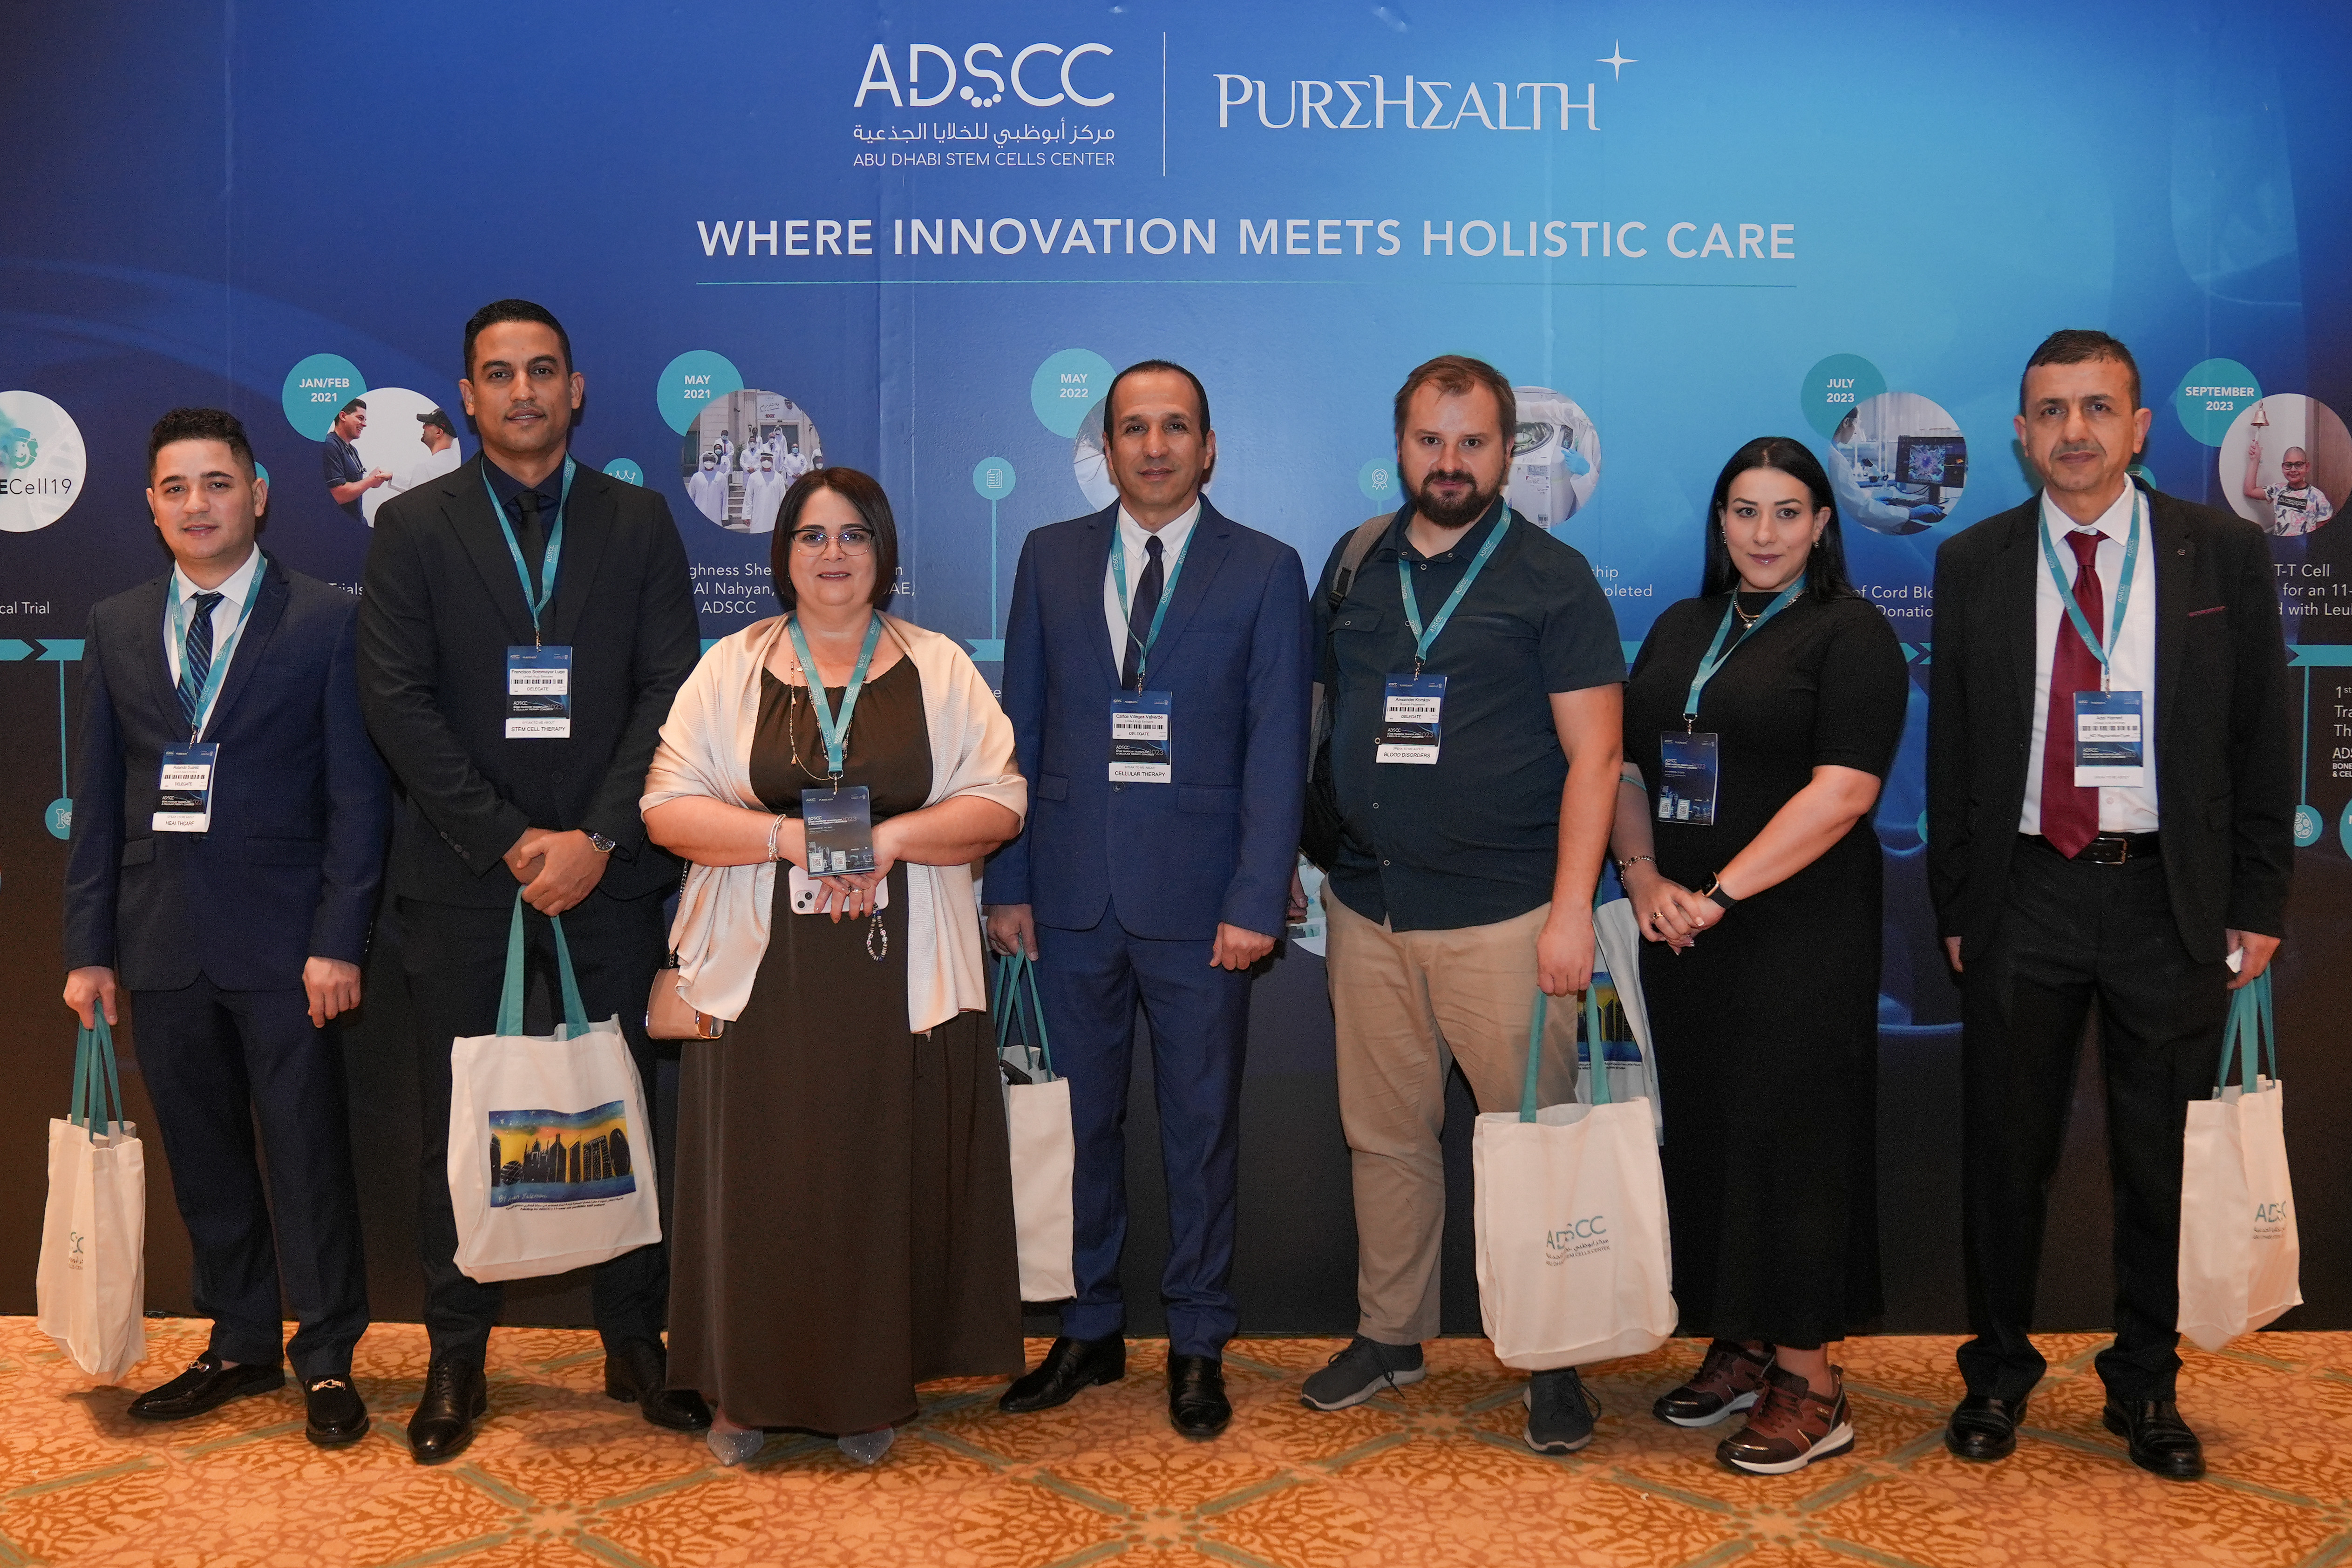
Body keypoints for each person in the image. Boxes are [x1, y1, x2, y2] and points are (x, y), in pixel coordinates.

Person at [1929, 329, 2293, 1481]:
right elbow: (1954, 749)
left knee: (2155, 1160)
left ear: (2136, 428)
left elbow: (2262, 731)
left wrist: (2257, 898)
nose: (2072, 431)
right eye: (2050, 411)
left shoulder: (2218, 551)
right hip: (2022, 890)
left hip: (2165, 896)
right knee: (2005, 1155)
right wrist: (1957, 902)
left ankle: (2144, 1383)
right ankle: (1995, 1373)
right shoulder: (1974, 560)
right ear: (2019, 434)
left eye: (2096, 408)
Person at [359, 299, 707, 1464]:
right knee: (462, 1126)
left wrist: (596, 838)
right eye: (500, 374)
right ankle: (457, 1355)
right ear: (467, 397)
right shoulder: (412, 526)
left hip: (609, 881)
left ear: (576, 389)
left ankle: (635, 1344)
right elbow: (395, 702)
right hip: (465, 882)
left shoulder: (637, 520)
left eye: (542, 371)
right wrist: (511, 841)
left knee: (619, 1107)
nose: (523, 392)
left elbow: (669, 689)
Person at [644, 466, 1027, 1467]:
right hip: (759, 974)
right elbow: (665, 806)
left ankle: (866, 1389)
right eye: (811, 535)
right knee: (760, 1186)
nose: (832, 553)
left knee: (873, 1177)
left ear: (883, 552)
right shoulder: (730, 666)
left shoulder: (939, 666)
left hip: (897, 972)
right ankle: (742, 1393)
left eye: (853, 534)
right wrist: (788, 841)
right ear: (783, 555)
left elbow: (1000, 801)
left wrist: (889, 842)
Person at [1298, 354, 1625, 1453]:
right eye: (1429, 441)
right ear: (1400, 446)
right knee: (1384, 1141)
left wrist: (1571, 911)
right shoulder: (1355, 564)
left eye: (1472, 442)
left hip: (1507, 921)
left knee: (1535, 1147)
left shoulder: (1552, 579)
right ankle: (1390, 1334)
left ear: (1505, 451)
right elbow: (1320, 714)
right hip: (1368, 910)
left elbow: (1596, 759)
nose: (1449, 463)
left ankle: (1552, 1359)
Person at [985, 359, 1312, 1440]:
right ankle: (1086, 1326)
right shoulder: (1048, 555)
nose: (1155, 446)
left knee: (1199, 1128)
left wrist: (1256, 897)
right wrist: (1009, 878)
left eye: (1176, 427)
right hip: (1068, 895)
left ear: (1207, 448)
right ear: (1109, 447)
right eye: (1134, 427)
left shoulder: (1263, 568)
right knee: (1078, 1124)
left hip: (1203, 905)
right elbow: (1020, 727)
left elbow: (1276, 746)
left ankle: (1198, 1338)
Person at [62, 407, 389, 1446]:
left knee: (306, 1157)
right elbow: (99, 799)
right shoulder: (117, 623)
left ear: (258, 494)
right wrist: (89, 948)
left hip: (288, 948)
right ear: (151, 506)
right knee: (203, 1157)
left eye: (216, 483)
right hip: (161, 939)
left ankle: (327, 1357)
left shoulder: (326, 620)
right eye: (176, 488)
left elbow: (358, 800)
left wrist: (338, 938)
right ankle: (241, 1341)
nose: (197, 504)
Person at [1609, 437, 1907, 1474]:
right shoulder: (1679, 627)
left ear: (1821, 525)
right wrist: (1642, 878)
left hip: (1796, 932)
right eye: (1744, 511)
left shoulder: (1851, 632)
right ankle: (1739, 1342)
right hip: (1681, 931)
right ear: (1720, 522)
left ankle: (1811, 1380)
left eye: (1787, 512)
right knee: (1708, 1135)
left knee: (1792, 1145)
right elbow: (1627, 767)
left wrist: (1720, 894)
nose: (1764, 532)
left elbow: (1844, 792)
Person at [2243, 435, 2334, 537]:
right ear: (2283, 468)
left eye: (2299, 465)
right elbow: (2249, 491)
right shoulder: (2277, 490)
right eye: (2288, 465)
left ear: (2307, 467)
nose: (2293, 470)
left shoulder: (2318, 497)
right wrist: (2255, 460)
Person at [321, 398, 391, 522]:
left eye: (365, 420)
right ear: (343, 416)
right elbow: (338, 494)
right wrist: (370, 481)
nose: (364, 424)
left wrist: (373, 480)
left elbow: (354, 486)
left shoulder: (352, 450)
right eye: (360, 418)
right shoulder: (329, 445)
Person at [385, 406, 463, 496]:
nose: (424, 427)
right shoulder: (460, 464)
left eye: (428, 424)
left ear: (438, 433)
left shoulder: (425, 469)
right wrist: (393, 477)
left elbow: (417, 500)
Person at [742, 450, 788, 534]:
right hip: (758, 515)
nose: (766, 461)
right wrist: (747, 516)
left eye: (769, 459)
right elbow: (748, 497)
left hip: (774, 515)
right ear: (760, 460)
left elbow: (782, 498)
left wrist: (784, 516)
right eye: (764, 459)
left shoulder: (779, 478)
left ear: (773, 461)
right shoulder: (754, 477)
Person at [686, 450, 729, 524]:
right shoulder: (696, 477)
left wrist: (725, 517)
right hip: (699, 513)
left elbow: (725, 498)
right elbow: (691, 496)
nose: (709, 461)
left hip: (716, 516)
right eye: (707, 459)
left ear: (715, 461)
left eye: (711, 460)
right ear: (703, 461)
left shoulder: (721, 477)